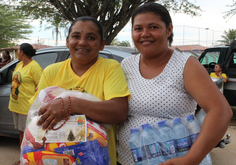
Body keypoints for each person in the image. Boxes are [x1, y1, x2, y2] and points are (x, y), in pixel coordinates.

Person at [117, 3, 232, 165]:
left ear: (169, 29)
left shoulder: (186, 65)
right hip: (125, 160)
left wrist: (190, 160)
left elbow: (221, 111)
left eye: (153, 27)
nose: (144, 34)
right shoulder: (126, 64)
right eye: (138, 29)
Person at [29, 16, 130, 165]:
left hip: (99, 159)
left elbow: (118, 112)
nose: (82, 42)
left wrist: (70, 104)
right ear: (67, 41)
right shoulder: (51, 72)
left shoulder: (110, 68)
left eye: (91, 37)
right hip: (56, 158)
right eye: (76, 36)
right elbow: (37, 117)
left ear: (102, 44)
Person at [8, 43, 43, 165]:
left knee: (26, 135)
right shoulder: (19, 65)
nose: (17, 53)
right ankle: (23, 156)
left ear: (22, 52)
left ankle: (24, 158)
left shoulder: (34, 67)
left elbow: (42, 86)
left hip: (26, 107)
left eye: (18, 51)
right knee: (21, 132)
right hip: (16, 105)